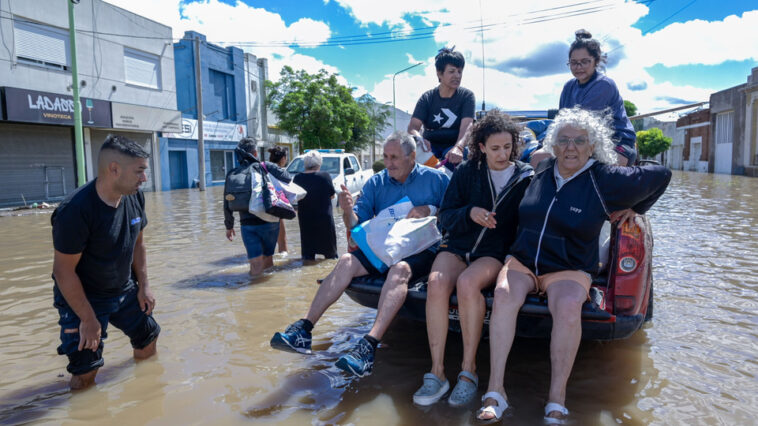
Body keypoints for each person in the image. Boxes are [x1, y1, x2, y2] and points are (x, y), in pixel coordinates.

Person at [477, 107, 671, 423]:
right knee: (503, 294)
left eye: (580, 140)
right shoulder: (540, 170)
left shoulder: (604, 179)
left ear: (592, 145)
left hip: (567, 268)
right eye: (563, 140)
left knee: (568, 306)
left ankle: (556, 400)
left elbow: (661, 175)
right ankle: (495, 391)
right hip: (523, 262)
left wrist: (635, 207)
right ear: (553, 144)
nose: (571, 147)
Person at [270, 131, 450, 377]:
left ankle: (368, 345)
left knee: (399, 270)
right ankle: (304, 328)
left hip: (422, 248)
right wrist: (347, 210)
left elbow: (454, 217)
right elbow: (355, 226)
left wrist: (431, 210)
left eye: (395, 157)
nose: (388, 163)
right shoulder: (377, 182)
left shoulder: (437, 180)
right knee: (345, 260)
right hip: (386, 245)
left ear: (412, 156)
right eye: (386, 157)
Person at [413, 111, 534, 407]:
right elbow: (445, 217)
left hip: (491, 253)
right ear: (481, 146)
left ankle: (468, 371)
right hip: (456, 246)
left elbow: (531, 220)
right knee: (436, 282)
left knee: (468, 284)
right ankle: (437, 371)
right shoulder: (467, 171)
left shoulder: (525, 176)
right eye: (495, 148)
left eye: (507, 147)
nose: (502, 154)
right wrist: (470, 213)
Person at [51, 135, 160, 390]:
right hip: (84, 297)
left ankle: (147, 396)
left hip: (123, 289)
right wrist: (88, 319)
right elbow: (63, 272)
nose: (144, 178)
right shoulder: (75, 211)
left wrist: (144, 285)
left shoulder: (134, 197)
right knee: (86, 369)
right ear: (114, 169)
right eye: (140, 171)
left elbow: (138, 245)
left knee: (148, 339)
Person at [559, 29, 637, 166]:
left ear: (596, 61)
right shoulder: (568, 87)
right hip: (577, 141)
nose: (578, 67)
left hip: (617, 142)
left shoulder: (603, 85)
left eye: (585, 62)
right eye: (573, 62)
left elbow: (582, 126)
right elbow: (560, 123)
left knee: (590, 172)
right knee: (538, 158)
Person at [224, 137, 292, 277]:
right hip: (270, 223)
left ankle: (253, 290)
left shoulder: (233, 174)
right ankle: (269, 292)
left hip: (247, 225)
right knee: (268, 261)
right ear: (255, 153)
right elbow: (287, 178)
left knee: (255, 264)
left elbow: (227, 201)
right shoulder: (265, 166)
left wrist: (229, 226)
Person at [408, 47, 475, 171]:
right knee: (411, 156)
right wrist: (421, 140)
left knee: (461, 159)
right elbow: (412, 128)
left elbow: (468, 125)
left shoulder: (467, 96)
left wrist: (459, 147)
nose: (457, 75)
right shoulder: (427, 98)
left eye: (460, 71)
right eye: (452, 71)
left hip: (454, 146)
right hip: (429, 148)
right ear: (439, 73)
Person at [292, 150, 338, 260]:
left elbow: (295, 198)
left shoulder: (297, 178)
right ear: (319, 163)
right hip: (324, 220)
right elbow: (332, 195)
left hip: (306, 220)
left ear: (305, 163)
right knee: (331, 257)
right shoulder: (325, 176)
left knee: (307, 258)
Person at [268, 146, 290, 258]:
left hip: (262, 208)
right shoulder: (280, 172)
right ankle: (284, 262)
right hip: (277, 208)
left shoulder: (263, 169)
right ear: (282, 159)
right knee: (282, 242)